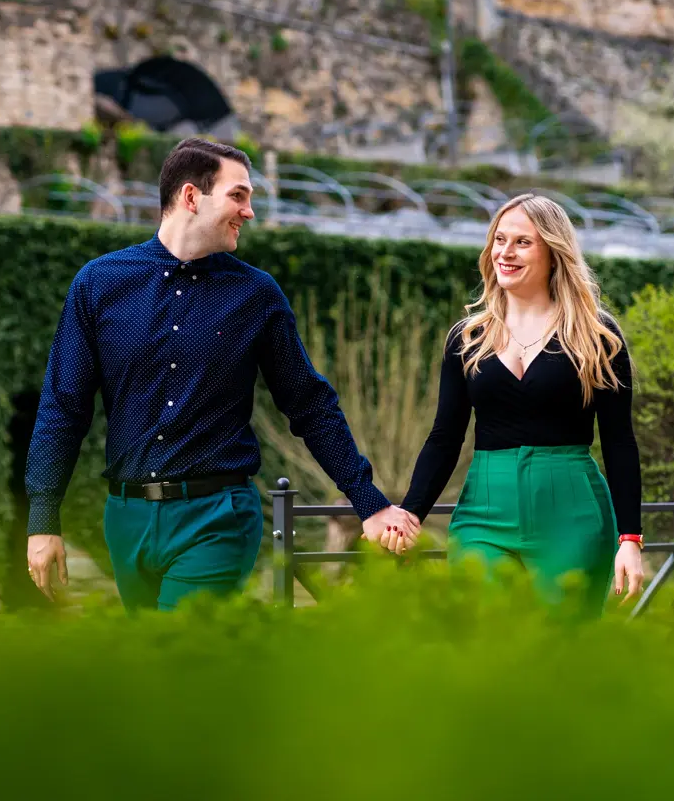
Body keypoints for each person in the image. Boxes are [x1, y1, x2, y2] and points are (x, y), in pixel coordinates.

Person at [24, 138, 420, 610]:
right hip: (126, 518)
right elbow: (63, 408)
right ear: (191, 196)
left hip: (217, 516)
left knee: (178, 653)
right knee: (156, 674)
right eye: (239, 195)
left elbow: (309, 405)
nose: (249, 211)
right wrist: (43, 517)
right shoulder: (99, 283)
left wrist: (368, 501)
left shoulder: (255, 295)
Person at [385, 193, 645, 615]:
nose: (505, 252)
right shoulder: (468, 338)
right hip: (485, 510)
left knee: (561, 649)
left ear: (553, 251)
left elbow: (619, 442)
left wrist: (630, 540)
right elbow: (445, 436)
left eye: (522, 242)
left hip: (571, 512)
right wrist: (411, 512)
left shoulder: (596, 335)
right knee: (486, 641)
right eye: (499, 240)